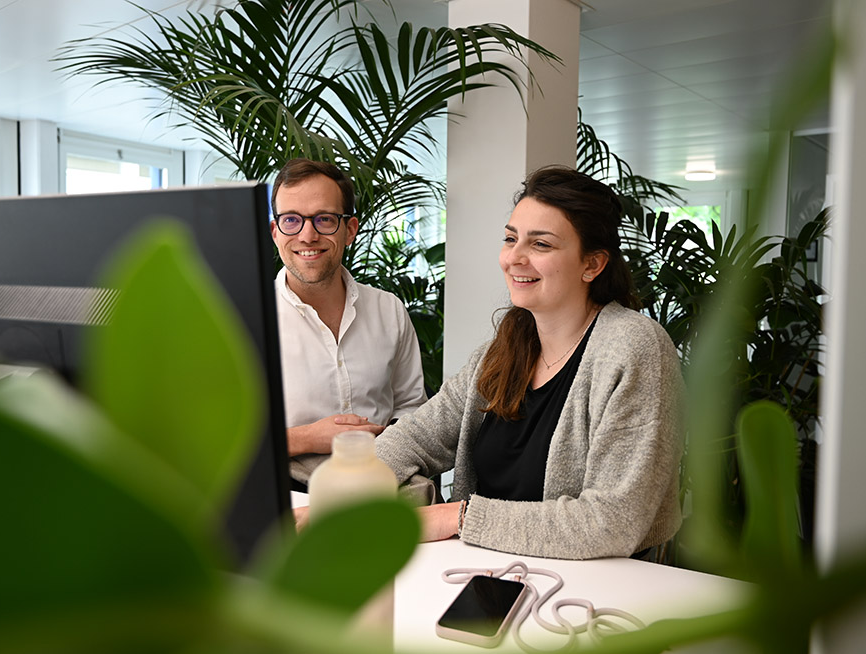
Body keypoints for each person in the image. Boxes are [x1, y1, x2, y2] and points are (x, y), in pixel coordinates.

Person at [374, 166, 684, 560]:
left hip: (598, 591)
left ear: (592, 264)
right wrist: (350, 490)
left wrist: (458, 518)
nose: (513, 258)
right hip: (489, 573)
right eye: (510, 239)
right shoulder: (502, 349)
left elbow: (612, 522)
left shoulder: (634, 347)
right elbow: (415, 437)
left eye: (540, 245)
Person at [270, 158, 426, 487]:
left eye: (324, 219)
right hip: (289, 496)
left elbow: (412, 406)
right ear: (275, 232)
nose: (307, 235)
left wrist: (388, 450)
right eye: (291, 220)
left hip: (381, 484)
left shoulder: (389, 310)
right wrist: (308, 438)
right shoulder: (247, 320)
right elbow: (221, 441)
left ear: (350, 230)